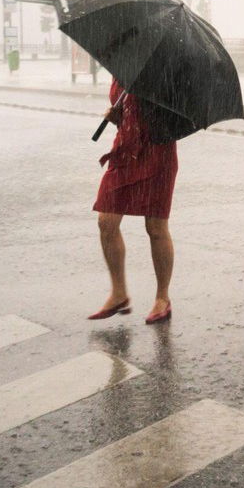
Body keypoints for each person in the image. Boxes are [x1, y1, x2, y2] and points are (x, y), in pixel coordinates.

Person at [90, 83, 179, 324]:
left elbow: (176, 115)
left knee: (156, 228)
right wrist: (117, 116)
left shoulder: (163, 71)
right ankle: (119, 293)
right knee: (106, 221)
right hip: (124, 151)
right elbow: (125, 109)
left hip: (158, 151)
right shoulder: (124, 67)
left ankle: (162, 298)